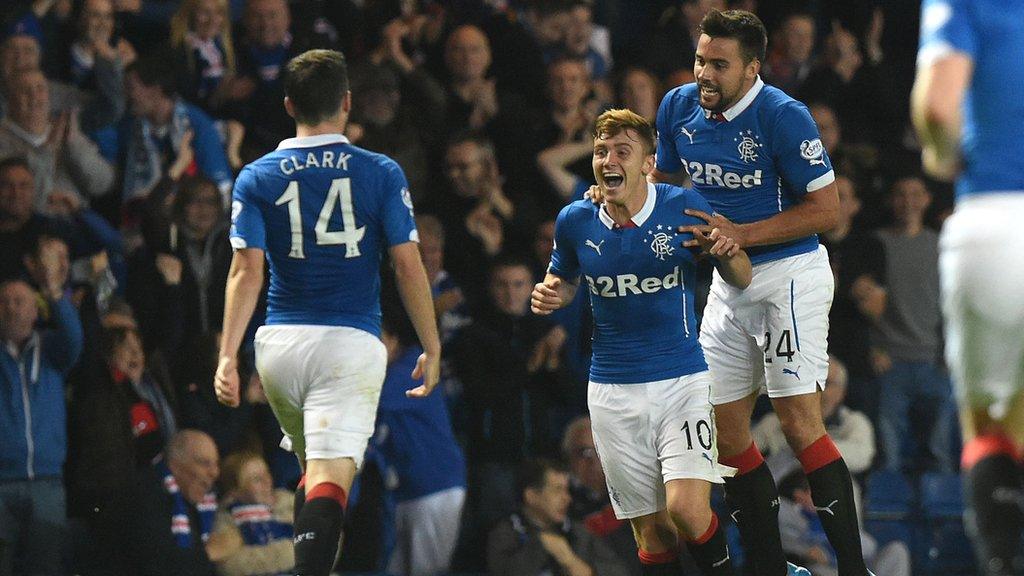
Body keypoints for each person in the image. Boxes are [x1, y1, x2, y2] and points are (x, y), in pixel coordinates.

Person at [643, 9, 877, 576]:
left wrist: (740, 233)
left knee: (799, 423)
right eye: (701, 59)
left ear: (753, 68)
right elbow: (667, 190)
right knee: (725, 435)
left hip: (789, 277)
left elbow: (827, 209)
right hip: (727, 282)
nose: (705, 73)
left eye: (719, 64)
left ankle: (853, 568)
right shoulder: (677, 107)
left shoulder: (783, 116)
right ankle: (771, 569)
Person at [214, 49, 440, 576]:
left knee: (313, 475)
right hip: (348, 344)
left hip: (279, 349)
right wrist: (431, 343)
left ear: (290, 103)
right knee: (332, 478)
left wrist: (227, 355)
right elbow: (408, 266)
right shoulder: (380, 171)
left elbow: (245, 271)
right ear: (346, 102)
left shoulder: (255, 176)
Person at [532, 108, 751, 576]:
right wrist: (551, 292)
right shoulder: (575, 219)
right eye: (600, 151)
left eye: (622, 152)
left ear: (648, 163)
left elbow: (742, 275)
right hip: (612, 393)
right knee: (651, 533)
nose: (608, 159)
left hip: (682, 382)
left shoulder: (683, 206)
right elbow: (565, 279)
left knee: (688, 512)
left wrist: (726, 255)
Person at [911, 1, 1024, 573]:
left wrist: (943, 155)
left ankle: (1002, 562)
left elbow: (937, 104)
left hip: (995, 225)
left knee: (991, 428)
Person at [0, 264, 83, 576]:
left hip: (46, 483)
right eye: (3, 301)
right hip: (1, 483)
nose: (10, 307)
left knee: (45, 567)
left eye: (19, 301)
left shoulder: (50, 352)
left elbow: (74, 336)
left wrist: (54, 293)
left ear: (36, 310)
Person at [487, 458, 629, 576]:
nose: (567, 498)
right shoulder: (504, 533)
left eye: (566, 490)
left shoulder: (578, 533)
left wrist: (578, 565)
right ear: (531, 496)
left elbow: (620, 571)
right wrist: (539, 545)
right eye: (557, 490)